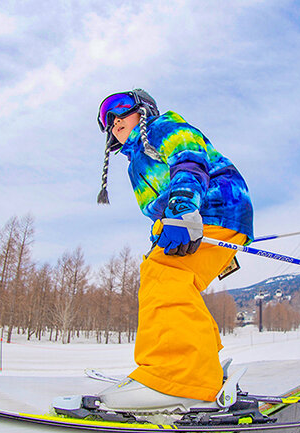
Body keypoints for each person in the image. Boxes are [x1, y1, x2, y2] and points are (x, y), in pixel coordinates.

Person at [95, 89, 254, 412]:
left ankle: (182, 378)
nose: (113, 122)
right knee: (165, 276)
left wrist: (183, 210)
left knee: (164, 276)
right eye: (105, 120)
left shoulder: (162, 128)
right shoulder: (134, 165)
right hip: (203, 217)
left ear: (144, 110)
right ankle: (200, 368)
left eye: (119, 109)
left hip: (214, 206)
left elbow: (190, 158)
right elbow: (156, 209)